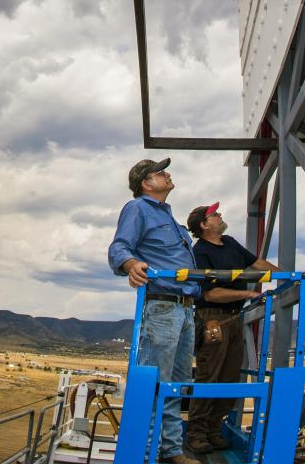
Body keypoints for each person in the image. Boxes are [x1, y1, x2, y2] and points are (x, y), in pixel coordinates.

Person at [108, 158, 202, 464]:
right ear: (147, 183)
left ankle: (172, 450)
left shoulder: (172, 220)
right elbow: (119, 248)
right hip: (162, 307)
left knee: (175, 384)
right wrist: (132, 264)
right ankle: (144, 455)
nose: (168, 174)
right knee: (153, 383)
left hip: (186, 310)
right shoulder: (137, 209)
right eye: (161, 172)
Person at [184, 202, 278, 455]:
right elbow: (210, 294)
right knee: (210, 376)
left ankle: (214, 430)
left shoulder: (231, 242)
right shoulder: (200, 252)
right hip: (213, 319)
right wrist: (249, 293)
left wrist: (286, 276)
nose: (219, 215)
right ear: (204, 225)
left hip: (235, 317)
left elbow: (257, 263)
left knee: (230, 376)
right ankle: (196, 434)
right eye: (214, 214)